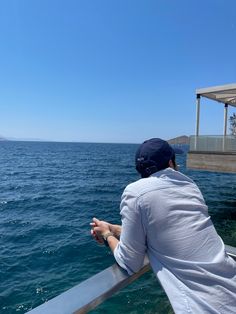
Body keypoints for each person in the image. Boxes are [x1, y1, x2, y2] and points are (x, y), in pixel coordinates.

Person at [90, 138, 236, 313]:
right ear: (170, 163)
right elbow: (166, 229)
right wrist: (115, 229)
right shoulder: (190, 186)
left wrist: (107, 235)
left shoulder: (135, 193)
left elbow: (130, 262)